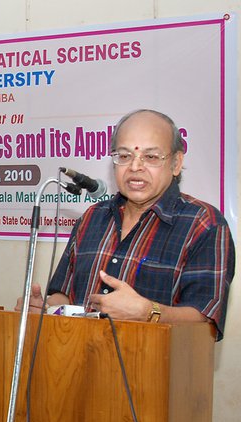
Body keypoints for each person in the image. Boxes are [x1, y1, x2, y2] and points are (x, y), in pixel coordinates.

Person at [17, 109, 235, 339]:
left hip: (154, 369)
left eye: (150, 157)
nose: (134, 167)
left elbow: (206, 320)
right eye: (124, 156)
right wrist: (47, 309)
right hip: (77, 364)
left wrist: (149, 312)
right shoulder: (92, 218)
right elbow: (64, 295)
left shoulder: (204, 224)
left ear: (176, 163)